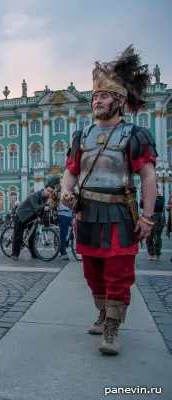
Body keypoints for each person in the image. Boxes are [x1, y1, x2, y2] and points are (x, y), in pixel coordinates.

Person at [60, 46, 156, 355]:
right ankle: (102, 313)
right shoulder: (82, 135)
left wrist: (147, 217)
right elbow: (71, 171)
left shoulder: (135, 134)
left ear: (119, 101)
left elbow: (148, 177)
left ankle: (113, 327)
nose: (96, 101)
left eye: (102, 96)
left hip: (119, 213)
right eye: (94, 96)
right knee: (92, 272)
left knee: (118, 272)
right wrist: (66, 192)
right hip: (87, 212)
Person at [11, 185, 54, 260]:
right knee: (18, 235)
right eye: (48, 190)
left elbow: (43, 208)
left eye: (51, 191)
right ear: (44, 189)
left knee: (32, 235)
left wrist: (49, 207)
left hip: (32, 217)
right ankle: (14, 254)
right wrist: (45, 204)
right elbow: (37, 208)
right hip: (22, 215)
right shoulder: (34, 195)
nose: (49, 192)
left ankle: (33, 253)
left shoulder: (46, 198)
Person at [141, 185, 165, 261]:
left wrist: (149, 201)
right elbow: (141, 206)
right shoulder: (147, 197)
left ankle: (157, 254)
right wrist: (142, 200)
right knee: (148, 237)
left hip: (157, 218)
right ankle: (150, 253)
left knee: (157, 238)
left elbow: (158, 206)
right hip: (148, 218)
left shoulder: (160, 197)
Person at [57, 184, 74, 261]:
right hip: (62, 215)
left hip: (72, 214)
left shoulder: (73, 192)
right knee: (63, 233)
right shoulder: (59, 193)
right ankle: (63, 252)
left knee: (75, 232)